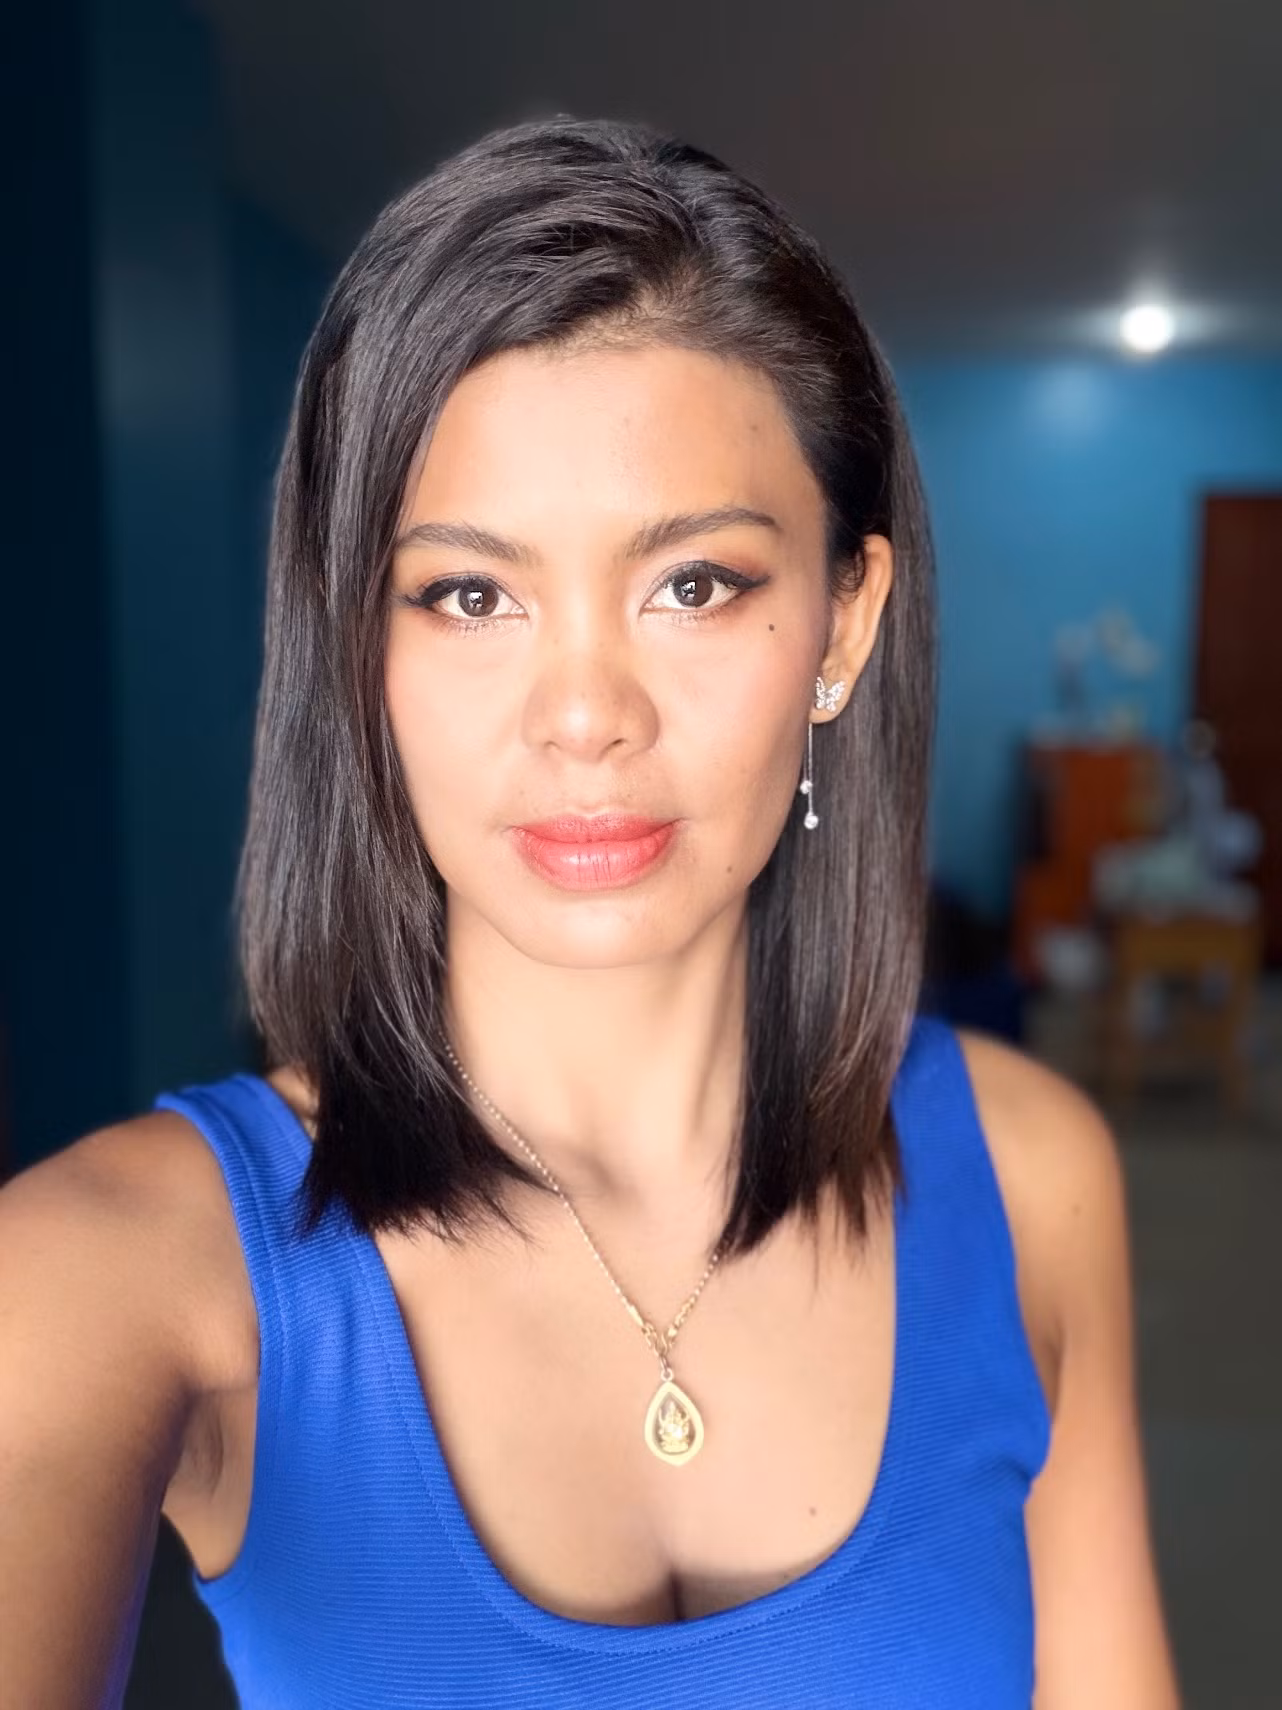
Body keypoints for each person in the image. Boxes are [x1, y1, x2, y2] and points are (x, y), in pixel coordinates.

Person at [0, 115, 1180, 1708]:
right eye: (469, 593)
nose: (583, 716)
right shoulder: (111, 1272)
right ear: (361, 651)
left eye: (691, 583)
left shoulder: (1032, 1176)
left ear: (841, 628)